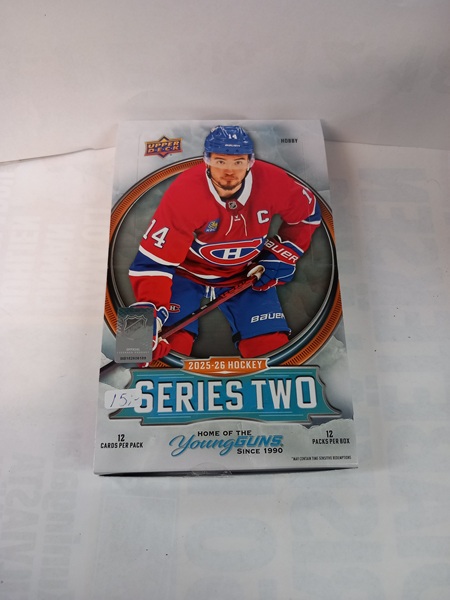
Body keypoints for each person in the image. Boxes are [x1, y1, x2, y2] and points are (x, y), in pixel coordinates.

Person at [129, 125, 321, 360]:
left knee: (272, 351)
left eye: (238, 162)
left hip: (245, 273)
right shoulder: (184, 192)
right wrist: (144, 322)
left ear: (250, 162)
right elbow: (151, 263)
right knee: (153, 354)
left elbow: (309, 212)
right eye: (220, 161)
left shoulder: (273, 181)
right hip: (185, 273)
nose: (229, 171)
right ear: (206, 160)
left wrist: (284, 252)